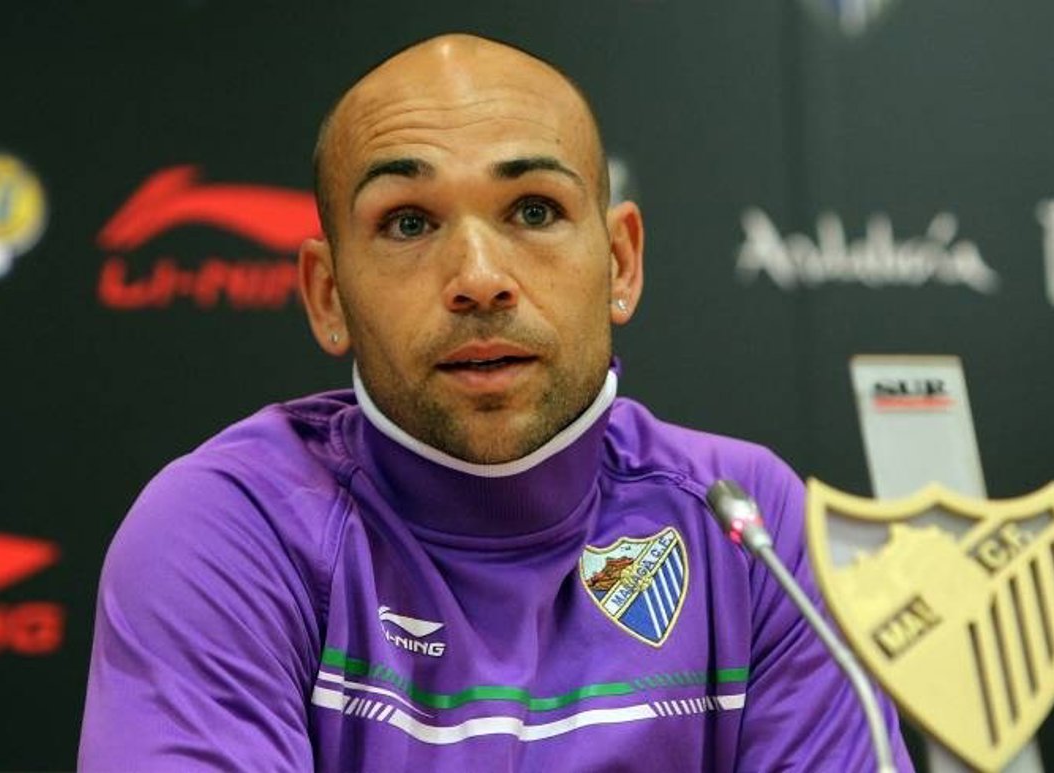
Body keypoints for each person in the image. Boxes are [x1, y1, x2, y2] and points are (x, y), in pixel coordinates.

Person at [79, 33, 912, 771]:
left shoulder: (745, 521)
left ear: (620, 262)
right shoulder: (230, 529)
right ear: (328, 294)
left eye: (533, 210)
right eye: (409, 223)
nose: (479, 279)